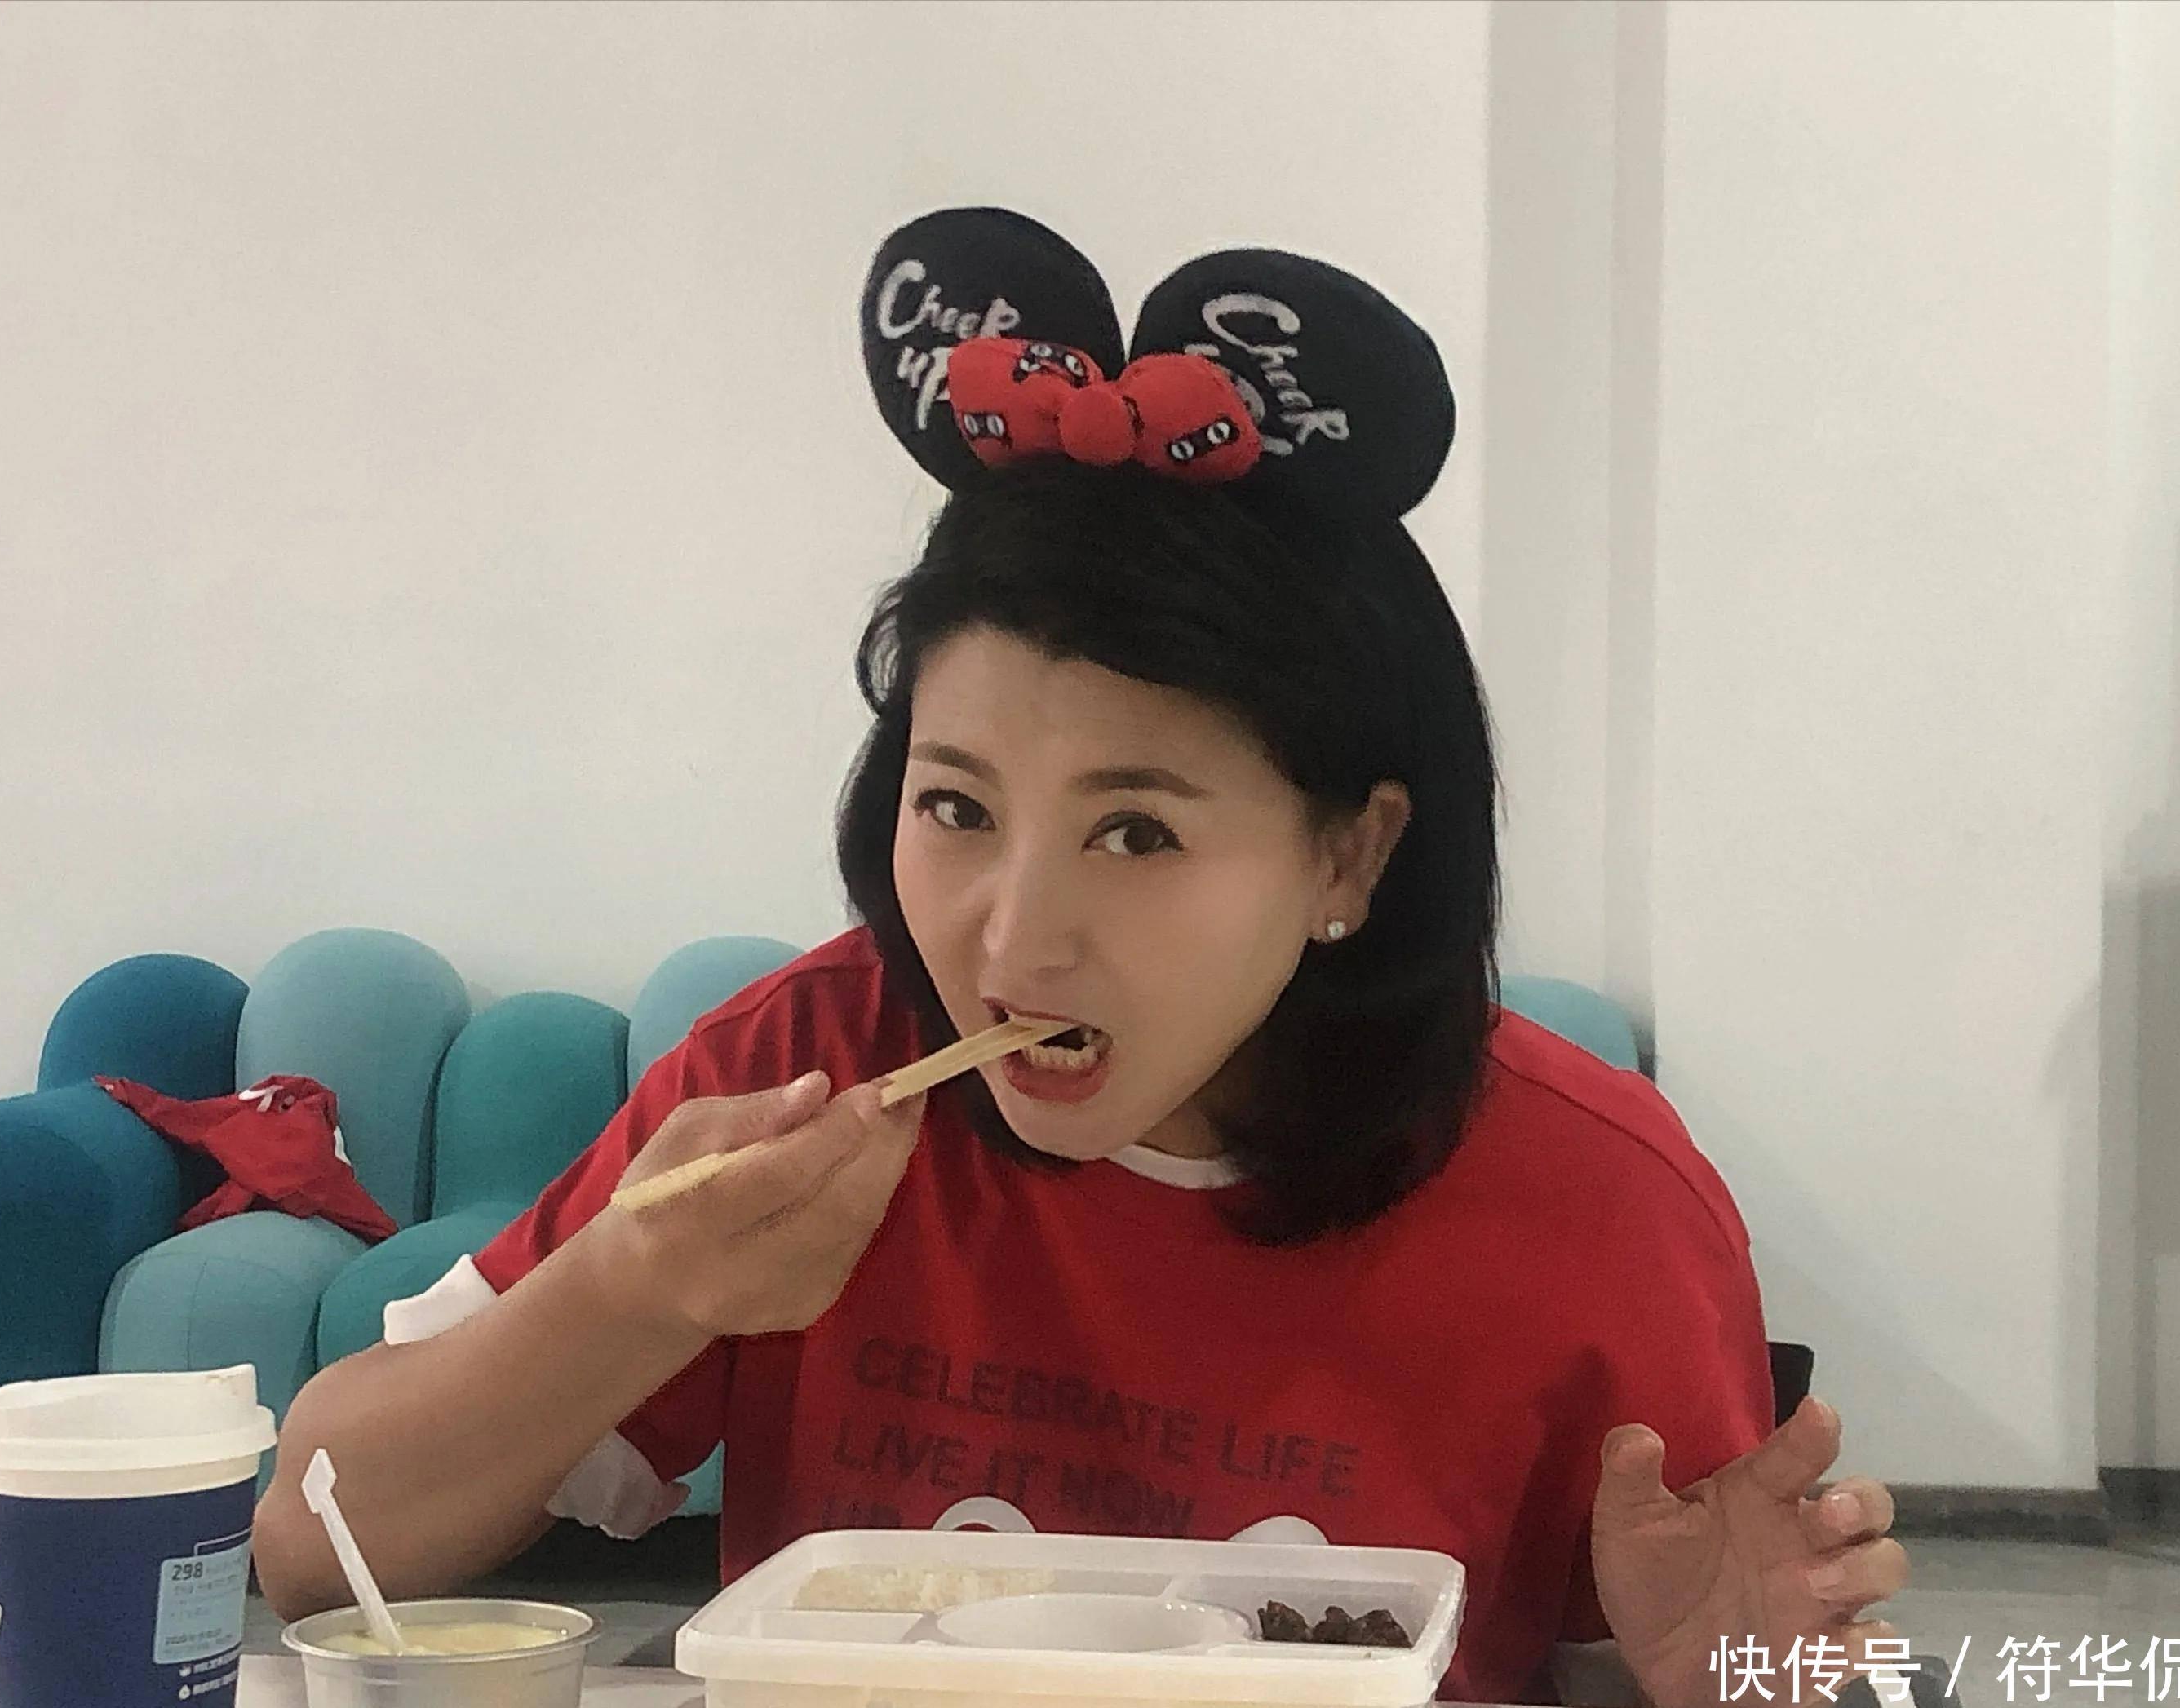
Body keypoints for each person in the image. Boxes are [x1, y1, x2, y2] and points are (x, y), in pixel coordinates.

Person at [251, 209, 1907, 1705]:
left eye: (1135, 831)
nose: (1011, 931)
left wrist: (1731, 1681)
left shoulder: (1595, 1202)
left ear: (1349, 855)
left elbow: (1732, 1658)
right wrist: (630, 1291)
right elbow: (318, 1552)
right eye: (957, 806)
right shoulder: (806, 1077)